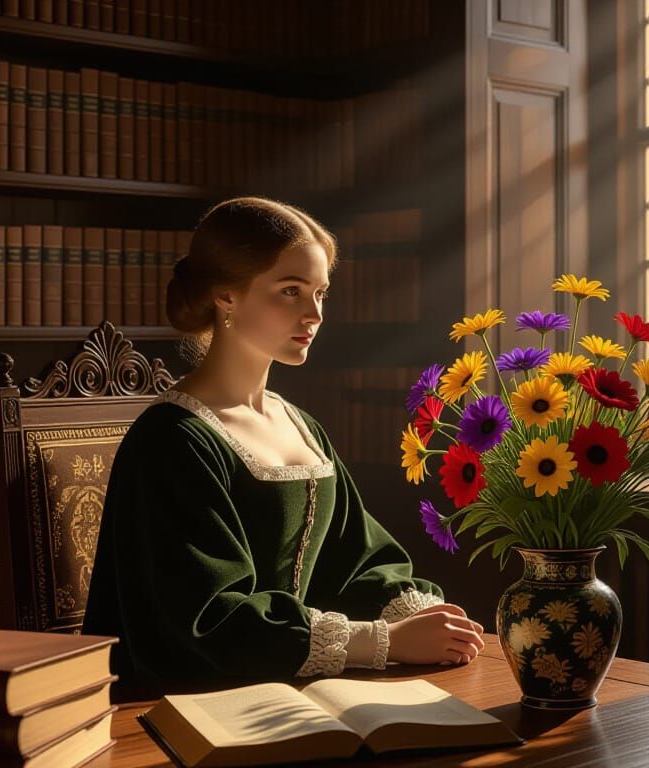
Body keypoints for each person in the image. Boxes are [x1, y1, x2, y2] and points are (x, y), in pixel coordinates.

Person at [82, 196, 483, 698]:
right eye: (290, 291)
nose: (313, 313)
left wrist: (427, 620)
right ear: (226, 295)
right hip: (191, 704)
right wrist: (386, 641)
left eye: (320, 292)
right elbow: (207, 620)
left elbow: (357, 559)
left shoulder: (301, 426)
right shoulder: (172, 441)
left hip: (298, 692)